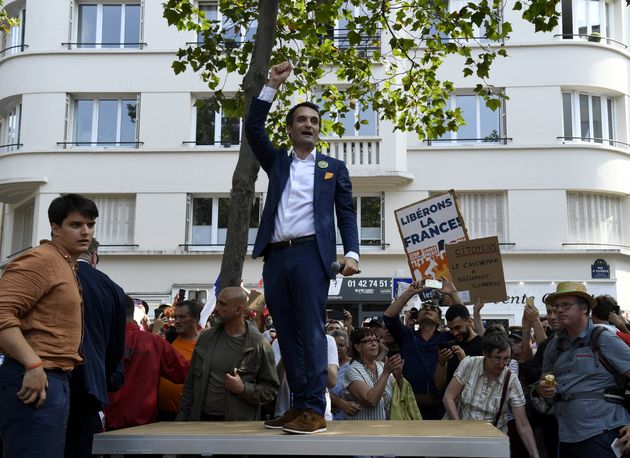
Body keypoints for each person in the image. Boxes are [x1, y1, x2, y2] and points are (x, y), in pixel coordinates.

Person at [245, 61, 359, 434]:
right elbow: (252, 128)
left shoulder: (333, 167)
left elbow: (345, 213)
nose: (308, 124)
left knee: (311, 330)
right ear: (291, 128)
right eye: (302, 120)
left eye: (314, 120)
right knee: (286, 333)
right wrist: (271, 86)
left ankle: (314, 407)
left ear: (318, 129)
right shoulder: (277, 160)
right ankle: (298, 406)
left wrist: (352, 254)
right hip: (277, 256)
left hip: (313, 255)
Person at [0, 193, 98, 457]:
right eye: (76, 225)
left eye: (90, 225)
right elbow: (2, 313)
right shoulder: (41, 261)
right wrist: (32, 364)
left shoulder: (65, 264)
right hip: (33, 377)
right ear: (55, 228)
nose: (85, 232)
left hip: (53, 378)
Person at [537, 282, 630, 457]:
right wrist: (542, 388)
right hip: (565, 436)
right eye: (556, 306)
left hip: (603, 433)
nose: (559, 310)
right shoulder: (553, 345)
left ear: (584, 309)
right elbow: (544, 379)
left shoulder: (603, 338)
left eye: (566, 305)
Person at [176, 287, 279, 422]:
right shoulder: (206, 338)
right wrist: (181, 420)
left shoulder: (259, 345)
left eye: (222, 304)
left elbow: (271, 390)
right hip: (200, 422)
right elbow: (190, 384)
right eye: (218, 302)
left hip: (236, 427)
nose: (216, 308)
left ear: (239, 310)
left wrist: (243, 389)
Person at [65, 238, 127, 458]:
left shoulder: (44, 277)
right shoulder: (112, 289)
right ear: (94, 257)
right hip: (89, 391)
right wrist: (102, 376)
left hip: (42, 384)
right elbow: (115, 350)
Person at [443, 332, 540, 458]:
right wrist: (459, 427)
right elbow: (448, 397)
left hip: (492, 443)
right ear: (485, 354)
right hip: (462, 440)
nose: (501, 364)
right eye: (497, 358)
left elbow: (523, 424)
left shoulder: (511, 379)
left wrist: (535, 455)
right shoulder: (469, 364)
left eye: (506, 359)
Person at [104, 296, 190, 430]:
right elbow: (183, 372)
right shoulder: (154, 342)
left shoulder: (102, 342)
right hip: (144, 422)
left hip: (108, 421)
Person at [383, 279, 458, 419]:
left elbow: (463, 321)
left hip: (440, 409)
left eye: (433, 309)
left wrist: (453, 294)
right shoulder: (406, 335)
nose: (428, 309)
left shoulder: (447, 338)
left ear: (439, 320)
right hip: (409, 407)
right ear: (416, 319)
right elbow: (389, 317)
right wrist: (409, 293)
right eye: (424, 308)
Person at [343, 327, 404, 420]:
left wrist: (398, 376)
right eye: (368, 340)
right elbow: (371, 400)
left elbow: (399, 395)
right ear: (358, 347)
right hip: (364, 430)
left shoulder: (383, 366)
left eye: (375, 340)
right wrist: (386, 373)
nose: (374, 343)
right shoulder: (352, 370)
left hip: (388, 428)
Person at [158, 300, 202, 420]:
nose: (177, 321)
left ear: (195, 318)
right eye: (175, 317)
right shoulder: (169, 339)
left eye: (182, 317)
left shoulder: (203, 346)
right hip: (162, 414)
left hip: (187, 416)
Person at [434, 303, 483, 391]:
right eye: (451, 329)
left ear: (469, 322)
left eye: (458, 327)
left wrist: (464, 362)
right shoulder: (448, 347)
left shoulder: (483, 346)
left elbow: (483, 384)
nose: (455, 333)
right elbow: (439, 385)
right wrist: (441, 363)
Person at [329, 329, 360, 420]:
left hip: (348, 417)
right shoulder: (323, 365)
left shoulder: (353, 365)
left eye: (341, 345)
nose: (337, 348)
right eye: (334, 345)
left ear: (347, 347)